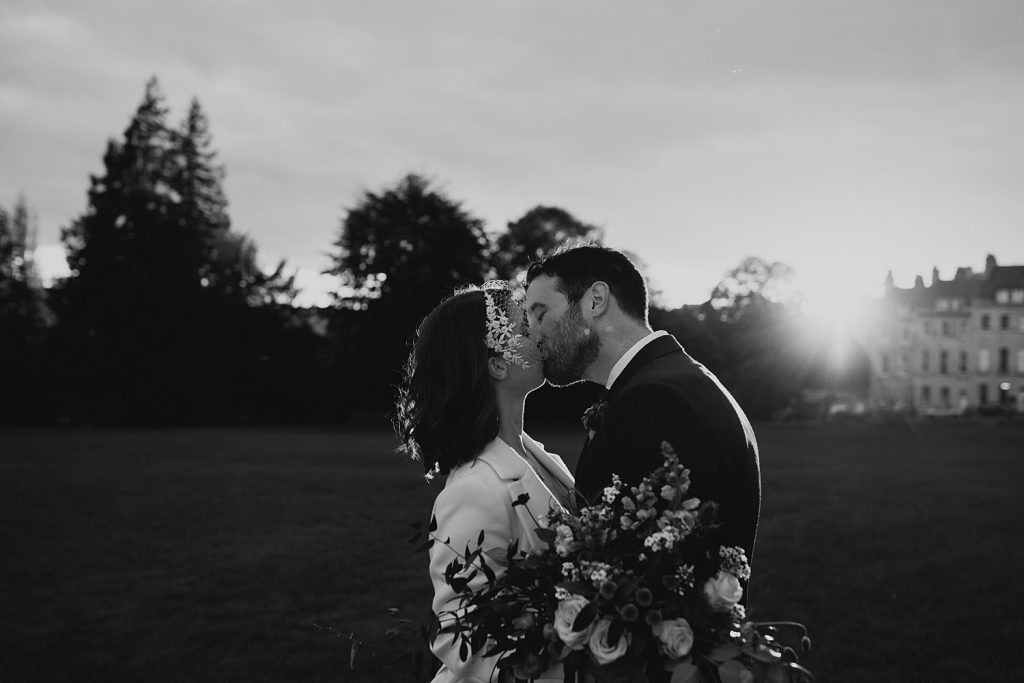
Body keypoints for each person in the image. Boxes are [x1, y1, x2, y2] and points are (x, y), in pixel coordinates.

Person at [524, 244, 761, 562]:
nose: (532, 334)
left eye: (539, 314)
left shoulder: (658, 401)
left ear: (596, 301)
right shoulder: (666, 381)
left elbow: (649, 568)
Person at [395, 282, 575, 683]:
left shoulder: (540, 457)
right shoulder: (473, 490)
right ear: (498, 364)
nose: (540, 333)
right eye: (526, 329)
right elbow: (457, 636)